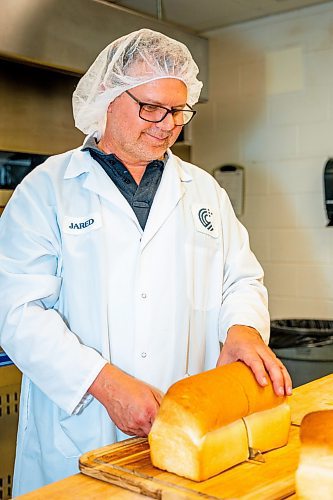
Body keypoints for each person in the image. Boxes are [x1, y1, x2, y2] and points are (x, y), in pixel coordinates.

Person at [0, 28, 292, 496]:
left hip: (186, 436)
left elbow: (240, 278)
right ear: (107, 98)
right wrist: (105, 384)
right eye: (150, 107)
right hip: (80, 430)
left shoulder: (203, 191)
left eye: (177, 110)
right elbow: (16, 312)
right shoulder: (46, 190)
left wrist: (243, 328)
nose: (166, 124)